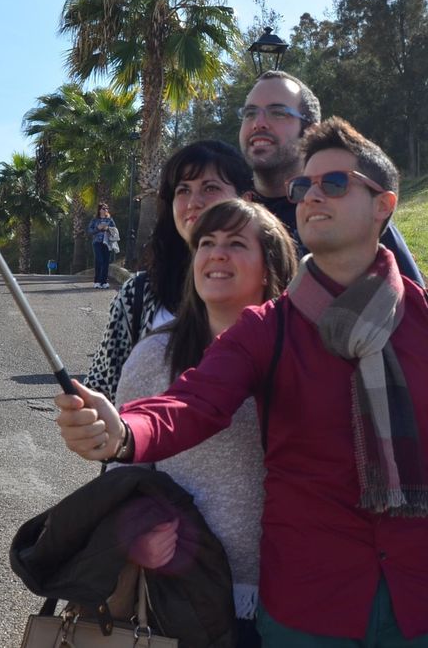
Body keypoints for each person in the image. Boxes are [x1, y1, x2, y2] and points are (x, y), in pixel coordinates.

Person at [55, 118, 428, 648]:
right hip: (306, 612)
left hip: (423, 606)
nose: (312, 196)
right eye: (303, 186)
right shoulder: (270, 326)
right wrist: (125, 433)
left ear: (384, 206)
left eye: (334, 183)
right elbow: (193, 401)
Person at [112, 198, 297, 648]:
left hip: (291, 594)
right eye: (206, 243)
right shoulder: (155, 355)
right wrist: (136, 536)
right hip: (184, 591)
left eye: (236, 243)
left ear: (270, 267)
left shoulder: (303, 354)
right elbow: (123, 475)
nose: (216, 254)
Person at [81, 141, 253, 398]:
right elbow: (100, 390)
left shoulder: (276, 293)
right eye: (183, 190)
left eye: (210, 187)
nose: (194, 202)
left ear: (246, 201)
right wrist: (85, 421)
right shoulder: (138, 294)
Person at [239, 69, 425, 284]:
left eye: (278, 112)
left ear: (311, 131)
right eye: (250, 113)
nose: (258, 123)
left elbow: (415, 309)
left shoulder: (355, 220)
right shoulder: (225, 213)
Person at [89, 203, 120, 288]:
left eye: (107, 208)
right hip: (97, 243)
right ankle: (97, 281)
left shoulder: (110, 220)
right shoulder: (95, 220)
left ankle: (104, 282)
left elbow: (115, 230)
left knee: (106, 262)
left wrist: (108, 229)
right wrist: (97, 228)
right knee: (99, 260)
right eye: (104, 208)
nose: (106, 210)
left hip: (107, 243)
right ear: (99, 210)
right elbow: (90, 231)